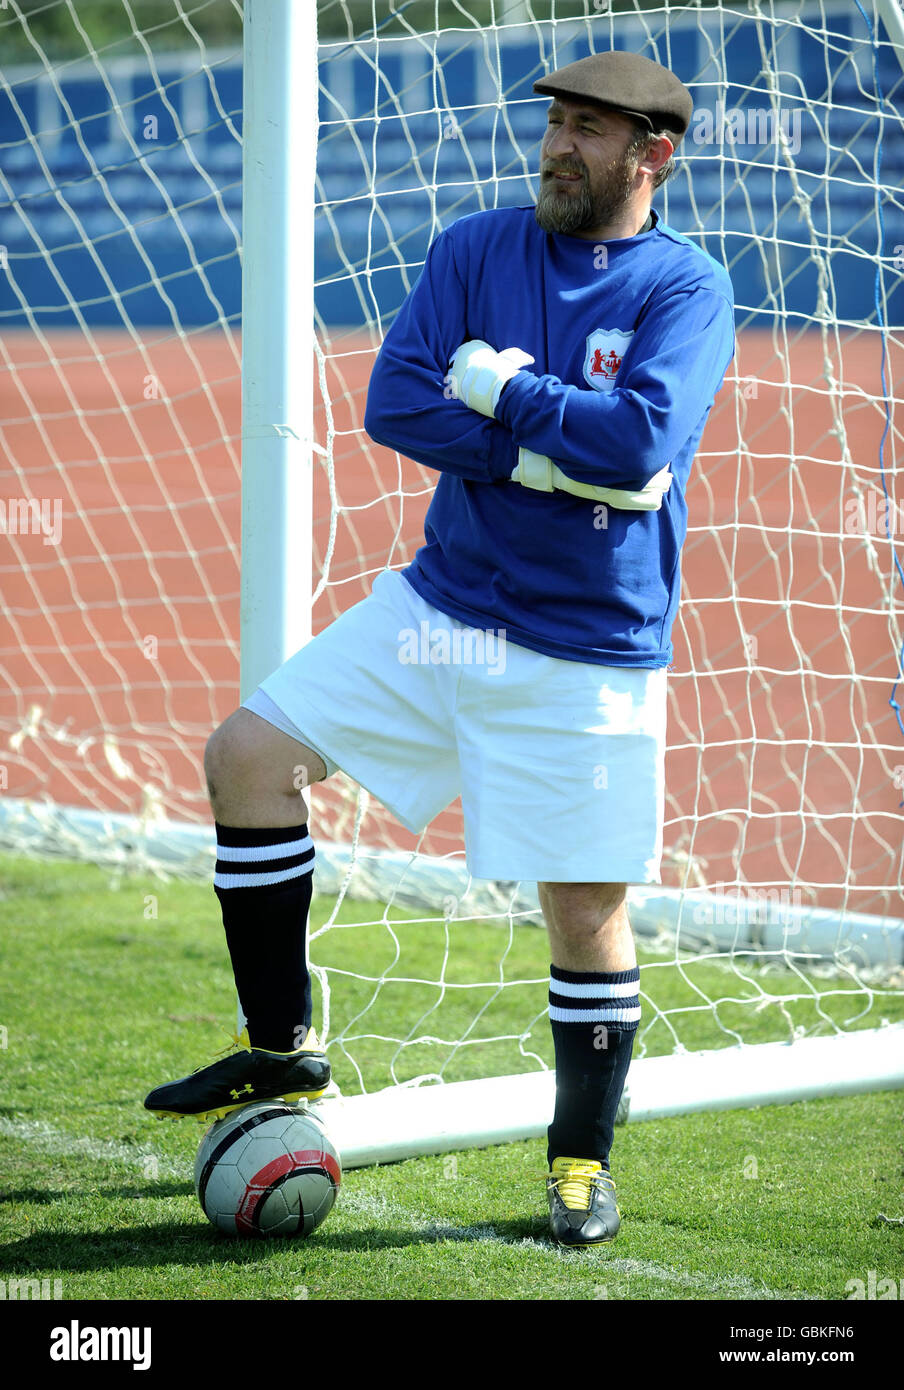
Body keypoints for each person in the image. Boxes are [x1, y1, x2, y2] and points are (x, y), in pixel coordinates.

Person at [144, 48, 735, 1249]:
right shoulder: (477, 247)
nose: (558, 146)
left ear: (651, 154)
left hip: (586, 647)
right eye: (556, 123)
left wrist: (500, 389)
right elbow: (395, 402)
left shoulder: (685, 289)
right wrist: (538, 446)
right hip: (442, 608)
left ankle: (578, 1164)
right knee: (247, 756)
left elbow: (637, 448)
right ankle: (280, 1051)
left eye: (587, 130)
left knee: (581, 915)